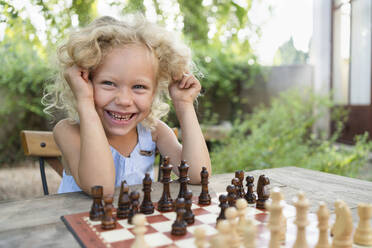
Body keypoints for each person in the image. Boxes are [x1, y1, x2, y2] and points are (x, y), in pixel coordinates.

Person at [43, 15, 211, 195]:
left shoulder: (154, 132)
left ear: (154, 92)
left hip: (134, 222)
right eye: (108, 83)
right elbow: (100, 188)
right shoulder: (69, 132)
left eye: (139, 87)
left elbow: (198, 175)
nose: (123, 100)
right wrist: (84, 101)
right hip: (77, 221)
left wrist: (184, 104)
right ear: (85, 82)